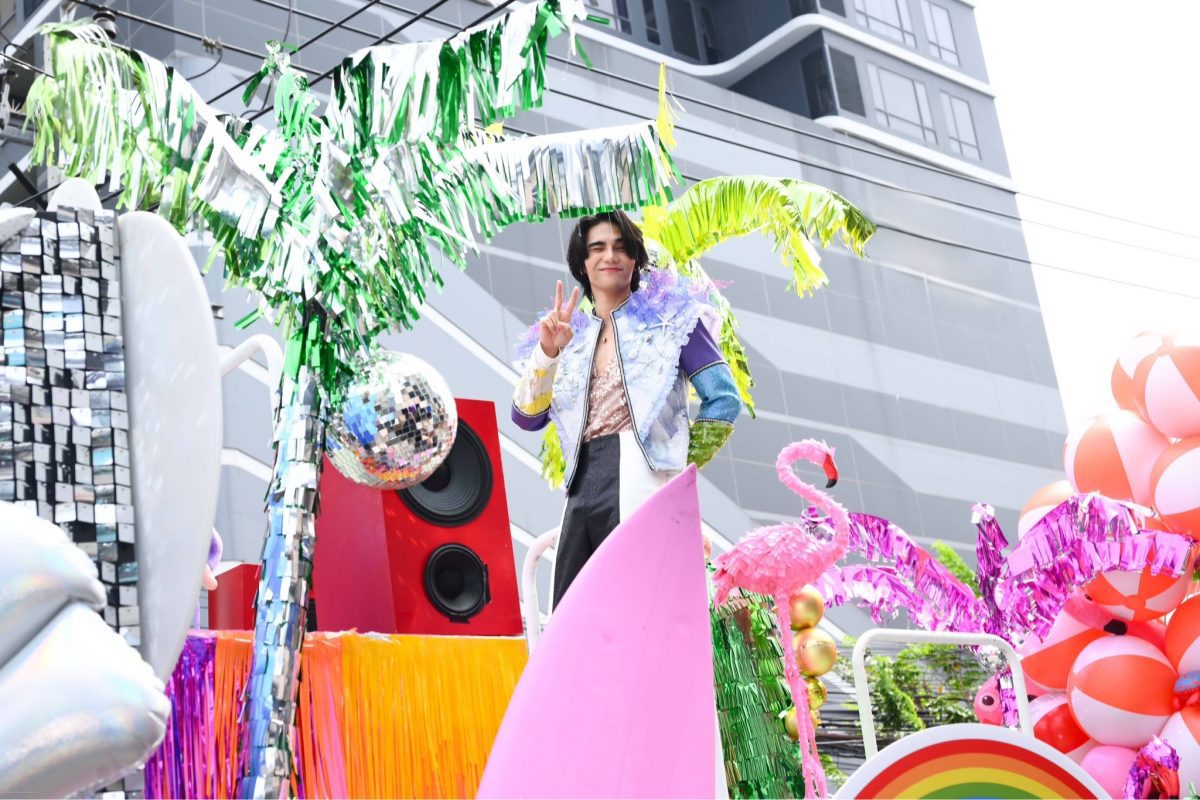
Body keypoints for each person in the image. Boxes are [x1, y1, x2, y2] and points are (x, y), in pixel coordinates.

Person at [511, 210, 741, 607]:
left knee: (638, 607)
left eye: (620, 246)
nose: (609, 256)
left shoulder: (675, 320)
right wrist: (548, 353)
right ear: (582, 263)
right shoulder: (569, 337)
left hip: (643, 476)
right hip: (580, 483)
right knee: (572, 614)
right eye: (597, 247)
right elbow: (525, 417)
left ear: (635, 258)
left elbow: (724, 398)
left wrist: (676, 464)